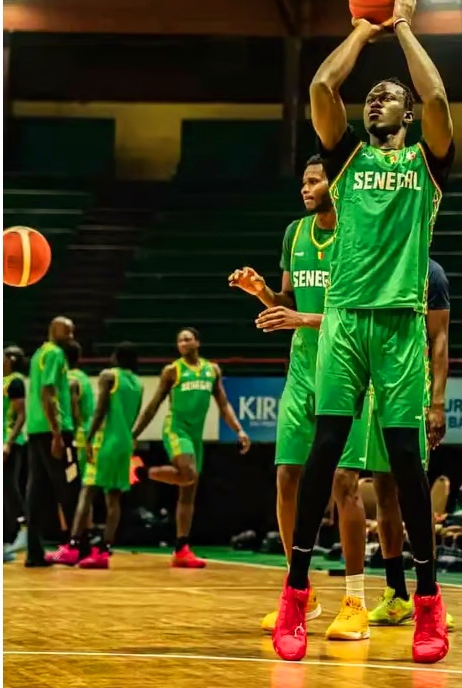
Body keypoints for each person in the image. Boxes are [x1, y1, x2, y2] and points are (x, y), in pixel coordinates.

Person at [273, 0, 454, 664]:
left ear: (406, 118)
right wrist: (361, 28)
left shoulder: (425, 164)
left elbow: (436, 98)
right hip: (346, 319)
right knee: (325, 455)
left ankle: (429, 607)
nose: (380, 97)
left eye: (391, 96)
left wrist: (403, 26)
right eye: (374, 94)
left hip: (401, 321)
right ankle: (296, 596)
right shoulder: (346, 159)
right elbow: (323, 89)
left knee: (405, 466)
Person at [229, 154, 369, 640]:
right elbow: (290, 305)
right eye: (304, 181)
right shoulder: (295, 233)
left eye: (314, 180)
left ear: (337, 183)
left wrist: (302, 319)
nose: (305, 188)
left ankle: (356, 599)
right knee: (286, 476)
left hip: (347, 369)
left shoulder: (357, 232)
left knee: (344, 483)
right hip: (302, 372)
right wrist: (263, 292)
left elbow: (361, 312)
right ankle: (300, 592)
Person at [331, 258, 453, 628]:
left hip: (410, 390)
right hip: (370, 389)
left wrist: (437, 402)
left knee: (411, 491)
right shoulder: (377, 265)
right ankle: (397, 593)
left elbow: (440, 338)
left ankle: (429, 595)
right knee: (383, 489)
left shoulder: (432, 273)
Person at [132, 327, 251, 568]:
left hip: (196, 436)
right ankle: (146, 473)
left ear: (197, 342)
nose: (184, 343)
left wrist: (239, 429)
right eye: (180, 340)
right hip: (176, 430)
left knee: (188, 493)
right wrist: (134, 434)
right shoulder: (172, 371)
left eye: (188, 339)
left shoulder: (211, 370)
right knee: (188, 474)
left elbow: (224, 403)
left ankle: (181, 548)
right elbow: (154, 405)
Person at [53, 343, 143, 568]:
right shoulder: (138, 384)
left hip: (106, 441)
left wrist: (90, 437)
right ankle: (104, 551)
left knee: (86, 492)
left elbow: (100, 410)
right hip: (125, 443)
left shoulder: (108, 376)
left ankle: (72, 547)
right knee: (113, 499)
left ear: (116, 357)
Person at [26, 317, 80, 567]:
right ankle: (76, 546)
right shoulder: (56, 354)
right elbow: (48, 392)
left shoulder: (39, 354)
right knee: (70, 487)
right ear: (54, 330)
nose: (71, 334)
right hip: (53, 431)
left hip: (36, 429)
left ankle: (34, 553)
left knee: (37, 492)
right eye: (67, 331)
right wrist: (57, 434)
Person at [3, 345, 28, 562]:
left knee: (10, 487)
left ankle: (23, 530)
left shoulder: (15, 382)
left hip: (9, 443)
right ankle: (6, 541)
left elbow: (21, 415)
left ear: (10, 359)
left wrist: (8, 442)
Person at [65, 342, 95, 485]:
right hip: (89, 432)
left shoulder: (69, 379)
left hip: (77, 436)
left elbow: (73, 409)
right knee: (85, 479)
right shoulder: (84, 377)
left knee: (71, 479)